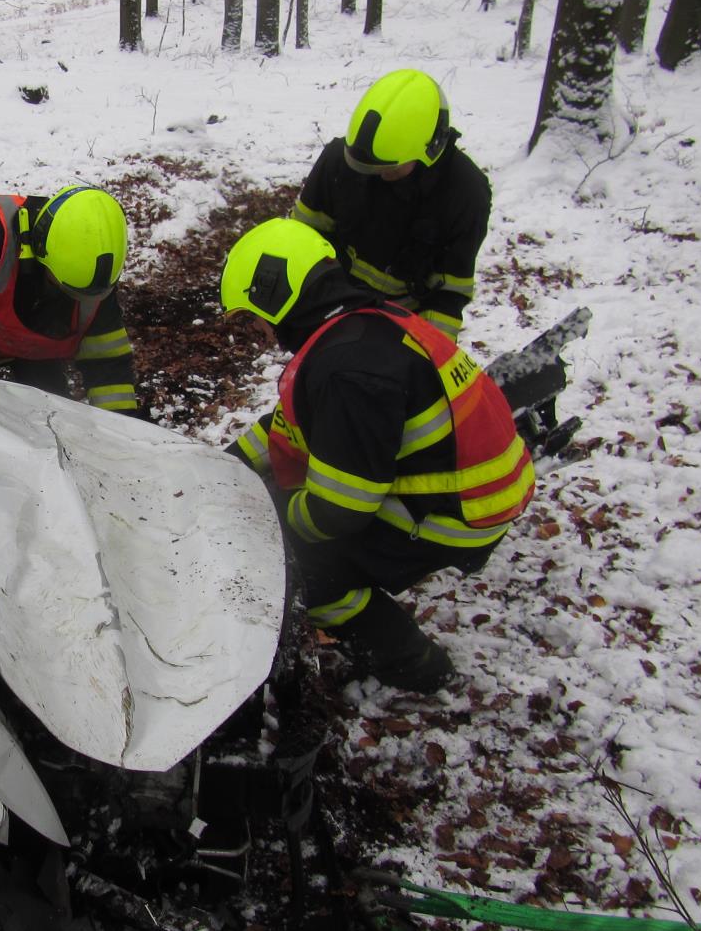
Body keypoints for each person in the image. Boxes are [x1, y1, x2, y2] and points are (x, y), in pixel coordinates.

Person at [219, 217, 535, 693]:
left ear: (272, 297)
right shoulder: (362, 325)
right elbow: (290, 426)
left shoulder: (346, 370)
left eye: (250, 317)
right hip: (476, 484)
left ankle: (415, 666)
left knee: (301, 566)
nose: (257, 331)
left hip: (463, 512)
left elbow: (340, 510)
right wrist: (223, 468)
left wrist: (268, 527)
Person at [291, 69, 490, 341]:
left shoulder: (465, 193)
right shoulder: (339, 162)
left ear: (431, 147)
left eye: (390, 168)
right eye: (368, 167)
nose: (379, 176)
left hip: (405, 320)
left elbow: (448, 295)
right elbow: (300, 242)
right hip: (335, 302)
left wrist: (426, 353)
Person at [0, 186, 142, 416]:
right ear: (40, 252)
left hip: (31, 352)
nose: (71, 299)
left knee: (51, 418)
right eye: (61, 288)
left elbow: (108, 366)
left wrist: (123, 428)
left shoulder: (94, 283)